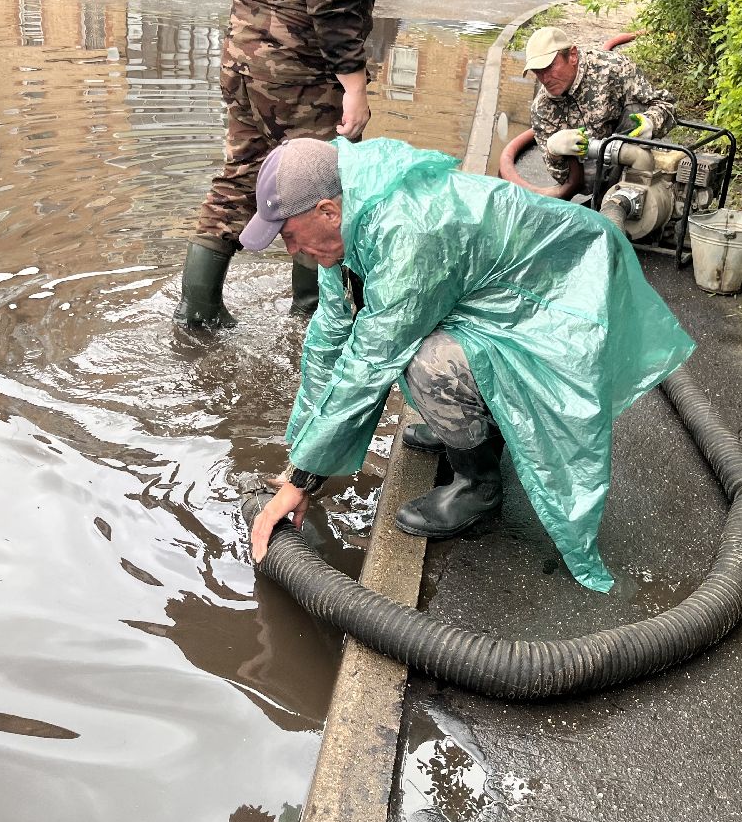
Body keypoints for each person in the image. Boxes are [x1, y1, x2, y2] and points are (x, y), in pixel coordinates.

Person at [245, 136, 695, 593]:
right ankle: (468, 426)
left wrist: (304, 482)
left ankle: (479, 486)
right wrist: (298, 456)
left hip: (563, 301)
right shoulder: (351, 222)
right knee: (404, 344)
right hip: (504, 298)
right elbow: (329, 338)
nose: (292, 251)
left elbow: (370, 361)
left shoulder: (407, 231)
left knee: (425, 362)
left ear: (327, 211)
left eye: (289, 236)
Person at [177, 0, 386, 329]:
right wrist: (353, 84)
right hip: (301, 68)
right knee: (322, 186)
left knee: (238, 176)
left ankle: (198, 312)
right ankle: (312, 319)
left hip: (244, 56)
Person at [526, 26, 677, 190]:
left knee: (637, 107)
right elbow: (564, 179)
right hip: (591, 175)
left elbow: (666, 105)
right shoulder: (542, 108)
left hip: (633, 156)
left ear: (572, 56)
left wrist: (650, 122)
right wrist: (553, 152)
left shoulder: (613, 68)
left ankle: (641, 184)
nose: (544, 79)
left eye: (549, 68)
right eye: (537, 72)